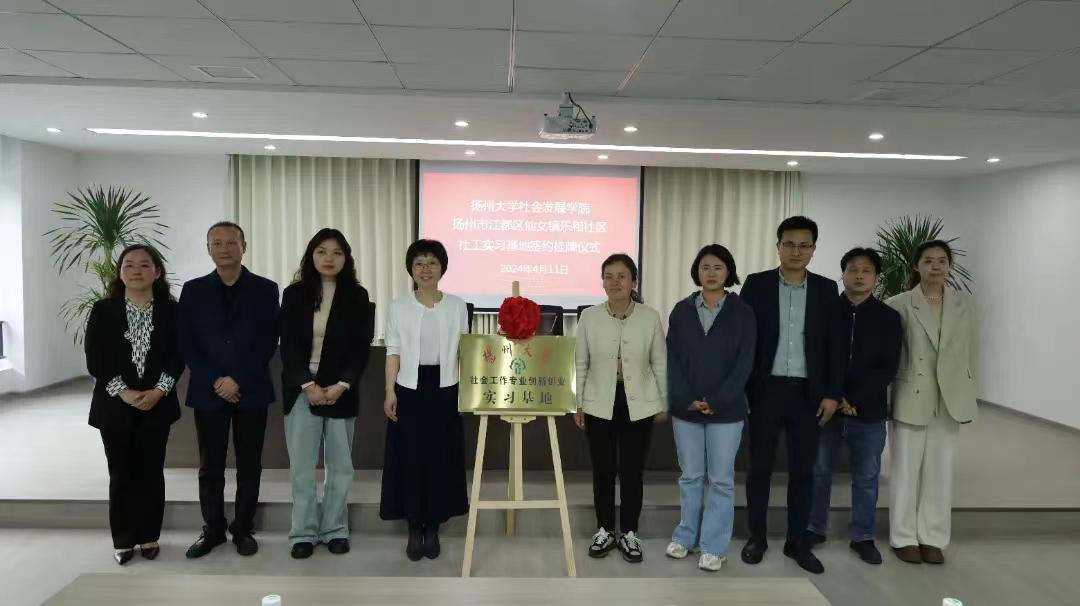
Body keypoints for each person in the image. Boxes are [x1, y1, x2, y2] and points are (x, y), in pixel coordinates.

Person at [739, 215, 843, 575]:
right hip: (765, 391)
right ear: (778, 246)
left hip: (808, 394)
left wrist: (832, 394)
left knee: (803, 472)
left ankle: (797, 542)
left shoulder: (827, 289)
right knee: (759, 469)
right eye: (789, 244)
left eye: (804, 245)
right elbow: (744, 340)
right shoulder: (757, 285)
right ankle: (757, 538)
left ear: (814, 249)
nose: (796, 251)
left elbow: (834, 347)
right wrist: (743, 390)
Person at [178, 221, 280, 559]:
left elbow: (268, 340)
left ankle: (243, 529)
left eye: (231, 242)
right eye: (217, 243)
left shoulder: (266, 289)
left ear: (243, 247)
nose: (224, 249)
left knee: (249, 465)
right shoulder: (193, 290)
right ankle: (213, 530)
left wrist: (237, 378)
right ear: (208, 249)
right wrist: (216, 379)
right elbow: (187, 342)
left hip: (251, 389)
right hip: (208, 391)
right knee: (210, 466)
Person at [84, 245, 184, 566]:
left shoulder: (172, 311)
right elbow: (95, 358)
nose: (136, 270)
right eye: (129, 265)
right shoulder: (103, 310)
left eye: (144, 265)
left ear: (157, 272)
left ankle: (149, 536)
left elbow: (178, 355)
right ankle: (124, 540)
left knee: (151, 471)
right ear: (120, 272)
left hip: (158, 403)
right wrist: (123, 392)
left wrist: (159, 390)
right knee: (121, 473)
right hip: (114, 405)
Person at [280, 229, 372, 559]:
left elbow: (361, 347)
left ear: (346, 258)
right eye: (321, 251)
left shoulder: (357, 296)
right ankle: (303, 532)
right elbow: (288, 346)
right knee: (302, 468)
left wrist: (342, 385)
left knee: (340, 467)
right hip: (302, 390)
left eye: (336, 252)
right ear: (311, 256)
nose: (329, 258)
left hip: (340, 391)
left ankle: (335, 529)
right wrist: (309, 385)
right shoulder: (294, 294)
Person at [806, 247, 902, 565]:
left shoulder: (889, 317)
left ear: (876, 277)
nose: (859, 276)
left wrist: (851, 398)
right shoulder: (824, 311)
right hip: (826, 409)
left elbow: (888, 367)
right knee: (819, 472)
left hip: (868, 411)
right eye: (852, 269)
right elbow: (815, 358)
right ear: (843, 274)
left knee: (867, 476)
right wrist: (832, 395)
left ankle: (862, 536)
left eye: (866, 270)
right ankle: (814, 528)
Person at [886, 240, 978, 566]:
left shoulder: (965, 304)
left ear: (949, 266)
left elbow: (972, 351)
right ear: (916, 266)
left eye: (942, 261)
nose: (936, 266)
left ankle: (933, 537)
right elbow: (891, 356)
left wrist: (969, 393)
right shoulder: (898, 304)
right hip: (911, 393)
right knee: (905, 470)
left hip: (949, 397)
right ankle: (903, 537)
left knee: (940, 471)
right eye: (928, 261)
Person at [664, 244, 756, 572]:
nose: (712, 273)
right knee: (690, 476)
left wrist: (717, 400)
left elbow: (745, 363)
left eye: (718, 267)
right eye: (705, 267)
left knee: (720, 479)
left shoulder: (743, 312)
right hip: (686, 409)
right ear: (697, 272)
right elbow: (671, 359)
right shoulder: (681, 311)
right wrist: (686, 397)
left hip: (726, 411)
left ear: (728, 272)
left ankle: (714, 547)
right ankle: (685, 537)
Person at [380, 239, 470, 561]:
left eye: (432, 262)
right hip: (409, 388)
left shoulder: (457, 306)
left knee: (440, 457)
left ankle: (433, 526)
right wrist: (390, 391)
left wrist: (466, 391)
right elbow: (393, 351)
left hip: (446, 388)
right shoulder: (398, 306)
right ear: (411, 269)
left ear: (442, 267)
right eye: (419, 263)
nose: (426, 269)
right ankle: (413, 525)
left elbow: (464, 352)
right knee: (410, 457)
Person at [574, 253, 667, 564]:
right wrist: (578, 404)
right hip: (598, 401)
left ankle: (629, 531)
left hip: (638, 403)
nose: (615, 282)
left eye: (622, 276)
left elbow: (660, 362)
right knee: (602, 470)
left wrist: (663, 401)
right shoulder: (589, 317)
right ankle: (604, 530)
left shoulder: (650, 317)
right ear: (602, 282)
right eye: (608, 276)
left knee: (631, 471)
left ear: (634, 282)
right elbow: (580, 362)